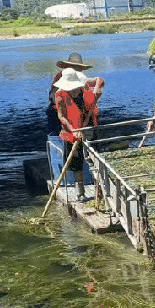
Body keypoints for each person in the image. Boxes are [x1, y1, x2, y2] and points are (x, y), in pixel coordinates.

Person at [53, 68, 100, 201]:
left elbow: (91, 107)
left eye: (75, 88)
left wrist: (97, 87)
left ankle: (99, 190)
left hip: (88, 128)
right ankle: (80, 193)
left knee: (95, 159)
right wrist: (73, 130)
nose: (73, 91)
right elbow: (61, 116)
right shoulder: (60, 95)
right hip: (71, 132)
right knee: (76, 163)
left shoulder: (85, 90)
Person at [47, 53, 103, 136]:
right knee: (58, 133)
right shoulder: (62, 77)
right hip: (57, 110)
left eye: (79, 67)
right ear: (69, 67)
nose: (79, 69)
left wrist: (98, 84)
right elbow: (54, 97)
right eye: (76, 67)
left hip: (75, 110)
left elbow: (97, 81)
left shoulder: (78, 77)